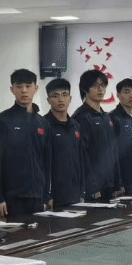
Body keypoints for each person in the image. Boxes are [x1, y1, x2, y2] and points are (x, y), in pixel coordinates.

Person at [0, 68, 50, 218]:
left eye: (28, 86)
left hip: (37, 198)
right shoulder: (2, 121)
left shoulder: (43, 123)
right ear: (12, 90)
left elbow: (46, 163)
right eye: (19, 86)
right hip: (10, 199)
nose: (24, 90)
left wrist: (46, 196)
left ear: (36, 88)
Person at [73, 69, 121, 201]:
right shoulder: (81, 117)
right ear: (85, 88)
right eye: (95, 85)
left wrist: (118, 183)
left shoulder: (106, 116)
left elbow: (113, 150)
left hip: (109, 184)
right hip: (94, 189)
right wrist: (91, 186)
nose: (100, 89)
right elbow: (82, 156)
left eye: (103, 86)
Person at [44, 78, 85, 208]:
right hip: (54, 197)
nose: (60, 100)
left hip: (75, 194)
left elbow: (80, 160)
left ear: (70, 98)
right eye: (55, 96)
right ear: (48, 100)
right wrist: (47, 195)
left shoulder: (76, 126)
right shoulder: (43, 125)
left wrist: (82, 191)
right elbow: (41, 164)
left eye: (64, 95)